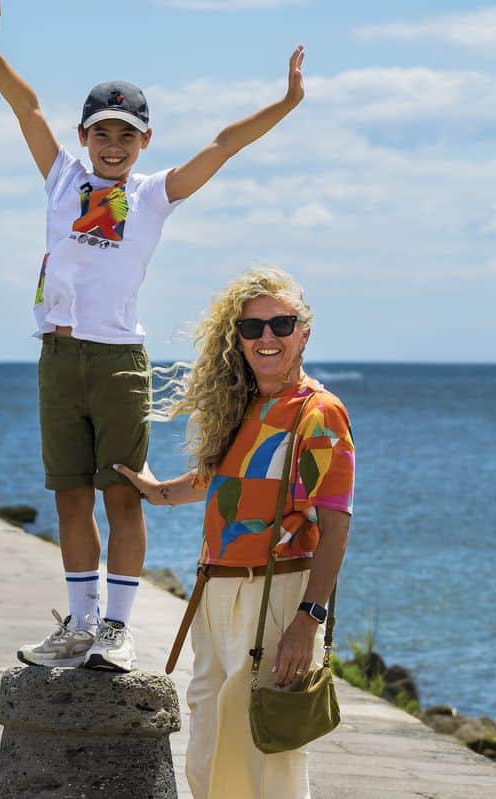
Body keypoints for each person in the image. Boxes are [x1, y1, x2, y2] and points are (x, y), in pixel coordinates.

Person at [0, 0, 308, 671]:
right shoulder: (63, 178)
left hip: (119, 359)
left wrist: (288, 100)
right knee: (70, 493)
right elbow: (27, 108)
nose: (113, 146)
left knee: (123, 492)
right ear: (84, 135)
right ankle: (79, 623)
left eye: (126, 136)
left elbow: (224, 143)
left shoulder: (154, 194)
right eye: (102, 133)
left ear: (145, 142)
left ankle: (118, 629)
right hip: (58, 356)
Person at [113, 266, 354, 798]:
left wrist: (307, 622)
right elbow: (221, 482)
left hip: (275, 590)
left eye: (281, 324)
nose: (267, 338)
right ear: (238, 340)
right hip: (215, 591)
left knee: (266, 752)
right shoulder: (244, 407)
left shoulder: (320, 413)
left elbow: (335, 527)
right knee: (208, 747)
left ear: (304, 332)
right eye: (252, 329)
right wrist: (155, 490)